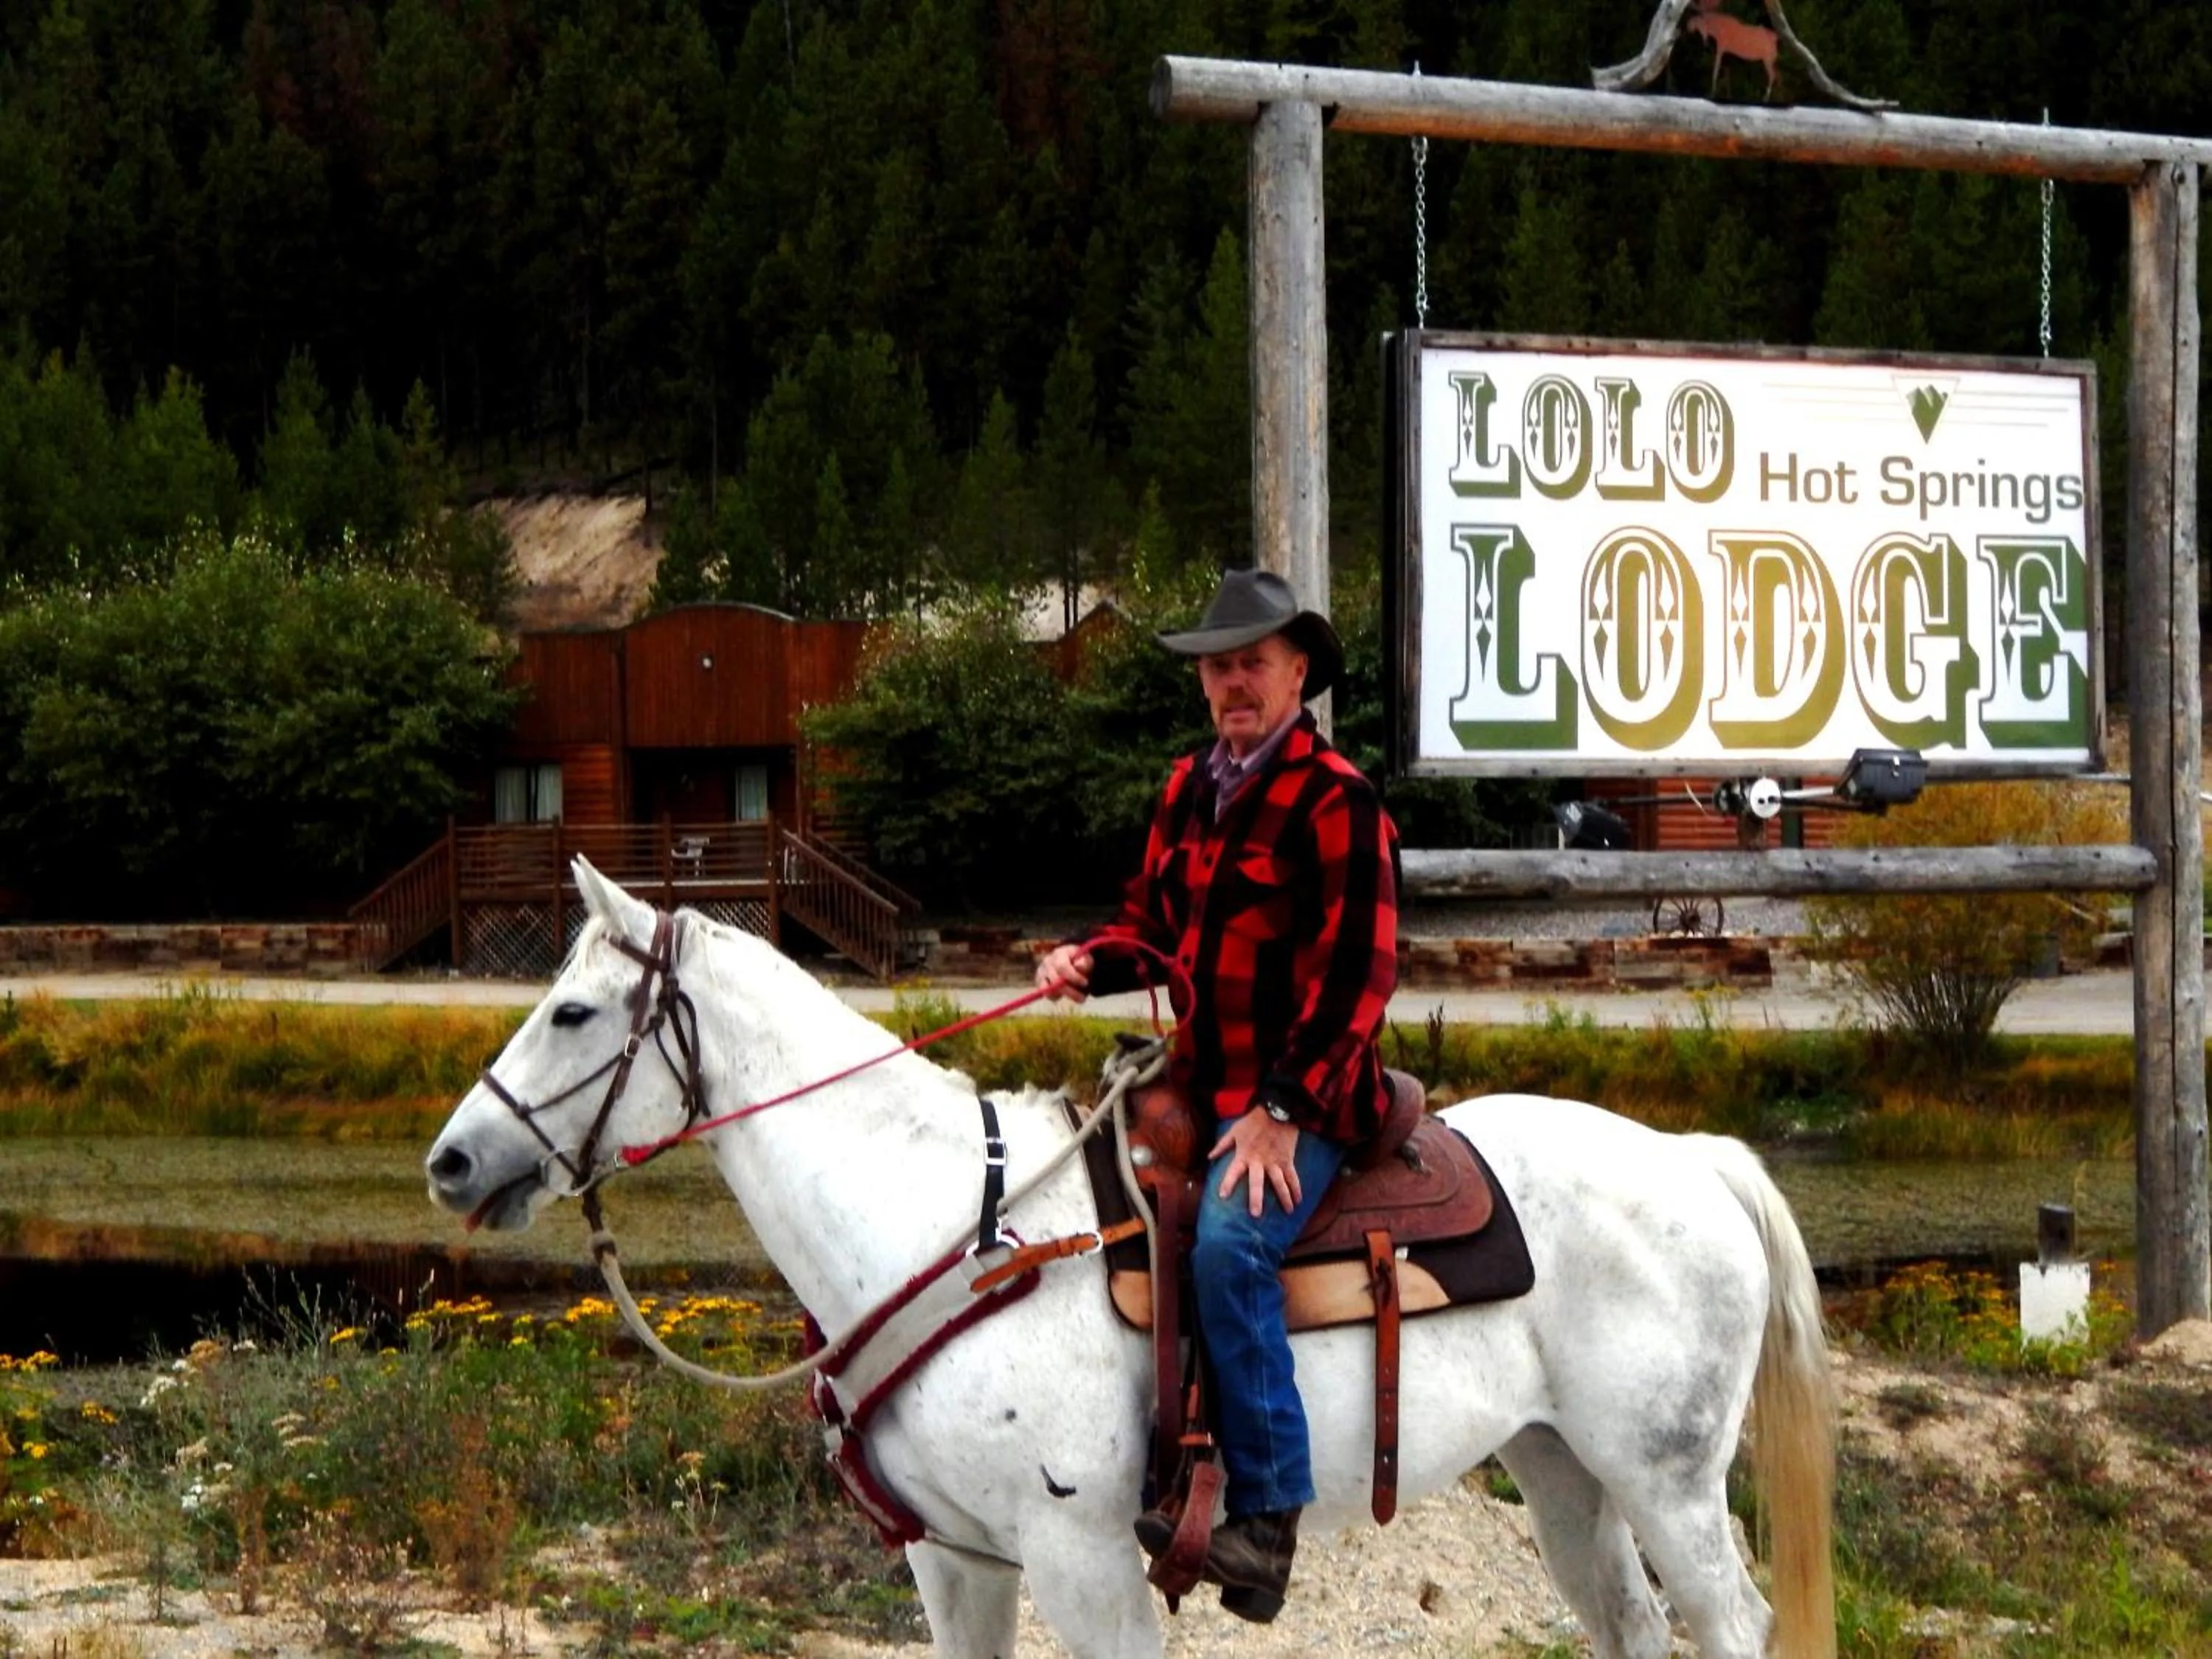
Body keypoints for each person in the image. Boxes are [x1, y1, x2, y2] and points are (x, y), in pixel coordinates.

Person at [1036, 567, 1401, 1620]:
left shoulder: (1340, 799)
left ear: (1297, 671)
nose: (1235, 681)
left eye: (1254, 662)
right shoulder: (1187, 786)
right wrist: (1087, 961)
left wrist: (1281, 1109)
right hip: (1200, 1079)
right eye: (1220, 665)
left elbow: (1360, 976)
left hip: (1306, 1096)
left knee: (1231, 1243)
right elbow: (1152, 926)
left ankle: (1267, 1515)